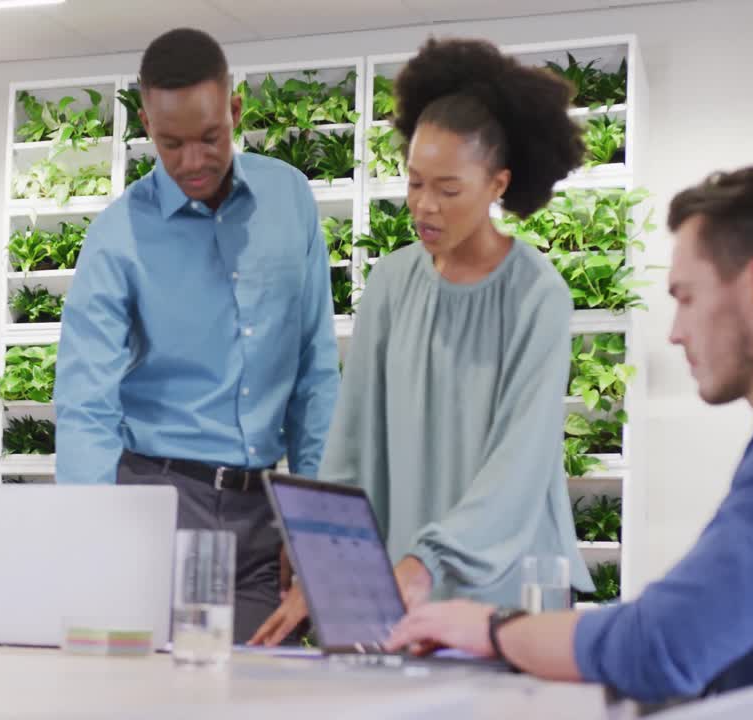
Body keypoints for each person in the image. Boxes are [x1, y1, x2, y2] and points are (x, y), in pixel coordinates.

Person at [385, 166, 753, 719]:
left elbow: (665, 647)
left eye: (687, 297)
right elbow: (706, 631)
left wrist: (494, 628)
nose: (675, 331)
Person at [250, 37, 593, 646]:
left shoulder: (538, 295)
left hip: (510, 590)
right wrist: (325, 560)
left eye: (448, 189)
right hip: (407, 586)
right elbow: (351, 442)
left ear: (498, 185)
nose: (424, 206)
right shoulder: (391, 283)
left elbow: (520, 466)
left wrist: (427, 561)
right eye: (413, 183)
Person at [53, 27, 341, 643]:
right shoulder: (117, 235)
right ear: (145, 122)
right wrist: (95, 535)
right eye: (170, 142)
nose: (191, 162)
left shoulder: (289, 199)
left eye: (210, 138)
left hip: (264, 514)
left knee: (261, 695)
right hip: (157, 506)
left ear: (235, 112)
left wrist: (314, 524)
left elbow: (315, 372)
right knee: (147, 699)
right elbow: (85, 405)